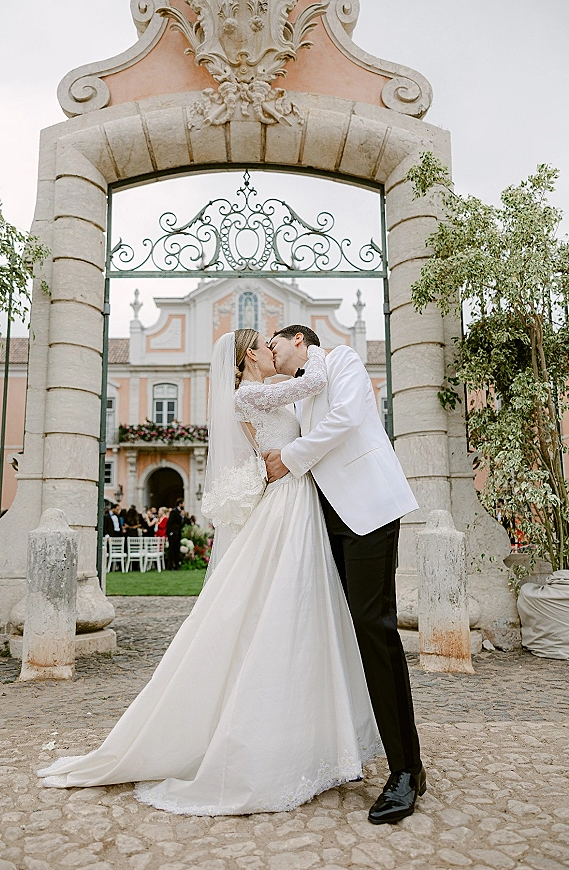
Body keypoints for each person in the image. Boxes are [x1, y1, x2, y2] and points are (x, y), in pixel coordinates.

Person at [37, 328, 380, 817]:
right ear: (247, 357)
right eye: (265, 344)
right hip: (288, 501)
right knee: (285, 608)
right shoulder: (252, 391)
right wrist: (314, 351)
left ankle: (314, 737)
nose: (272, 349)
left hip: (294, 497)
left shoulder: (254, 392)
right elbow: (311, 383)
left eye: (275, 342)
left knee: (303, 608)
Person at [264, 325, 423, 825]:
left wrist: (288, 458)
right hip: (325, 520)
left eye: (275, 343)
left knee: (375, 631)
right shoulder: (292, 396)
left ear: (299, 341)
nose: (271, 352)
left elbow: (348, 417)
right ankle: (362, 749)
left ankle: (405, 770)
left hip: (368, 510)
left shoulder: (341, 361)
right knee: (350, 635)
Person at [165, 498, 184, 569]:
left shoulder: (180, 512)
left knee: (176, 549)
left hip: (177, 533)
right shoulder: (174, 511)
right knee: (172, 549)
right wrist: (170, 532)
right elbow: (170, 522)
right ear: (180, 503)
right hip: (173, 533)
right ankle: (170, 565)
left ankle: (177, 565)